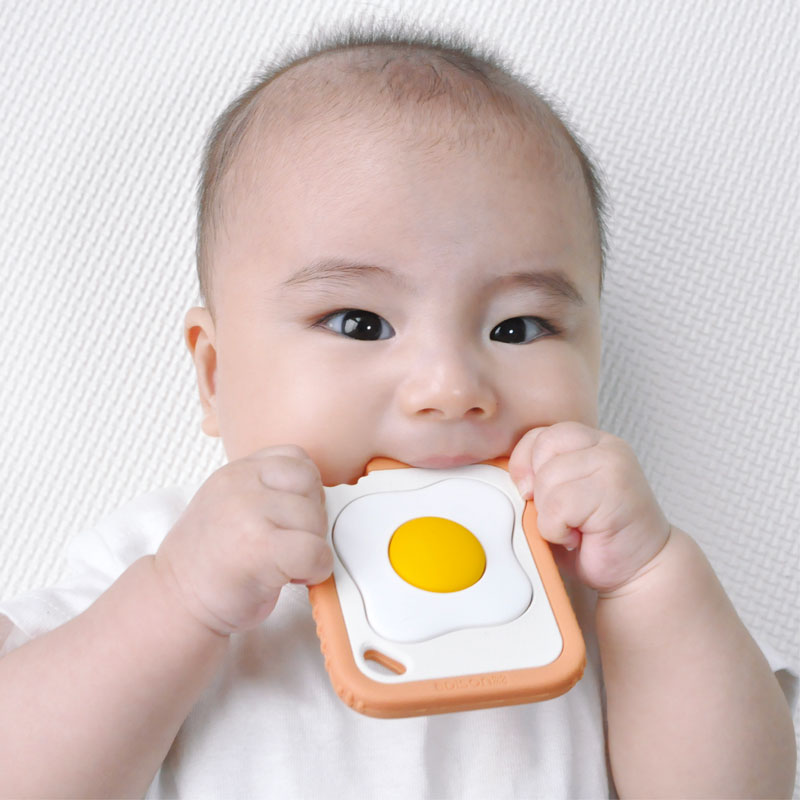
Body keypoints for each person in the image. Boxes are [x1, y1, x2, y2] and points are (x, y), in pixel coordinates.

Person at [0, 22, 796, 798]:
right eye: (359, 323)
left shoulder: (602, 589)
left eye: (518, 327)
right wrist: (178, 600)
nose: (450, 386)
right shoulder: (164, 560)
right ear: (215, 375)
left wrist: (653, 578)